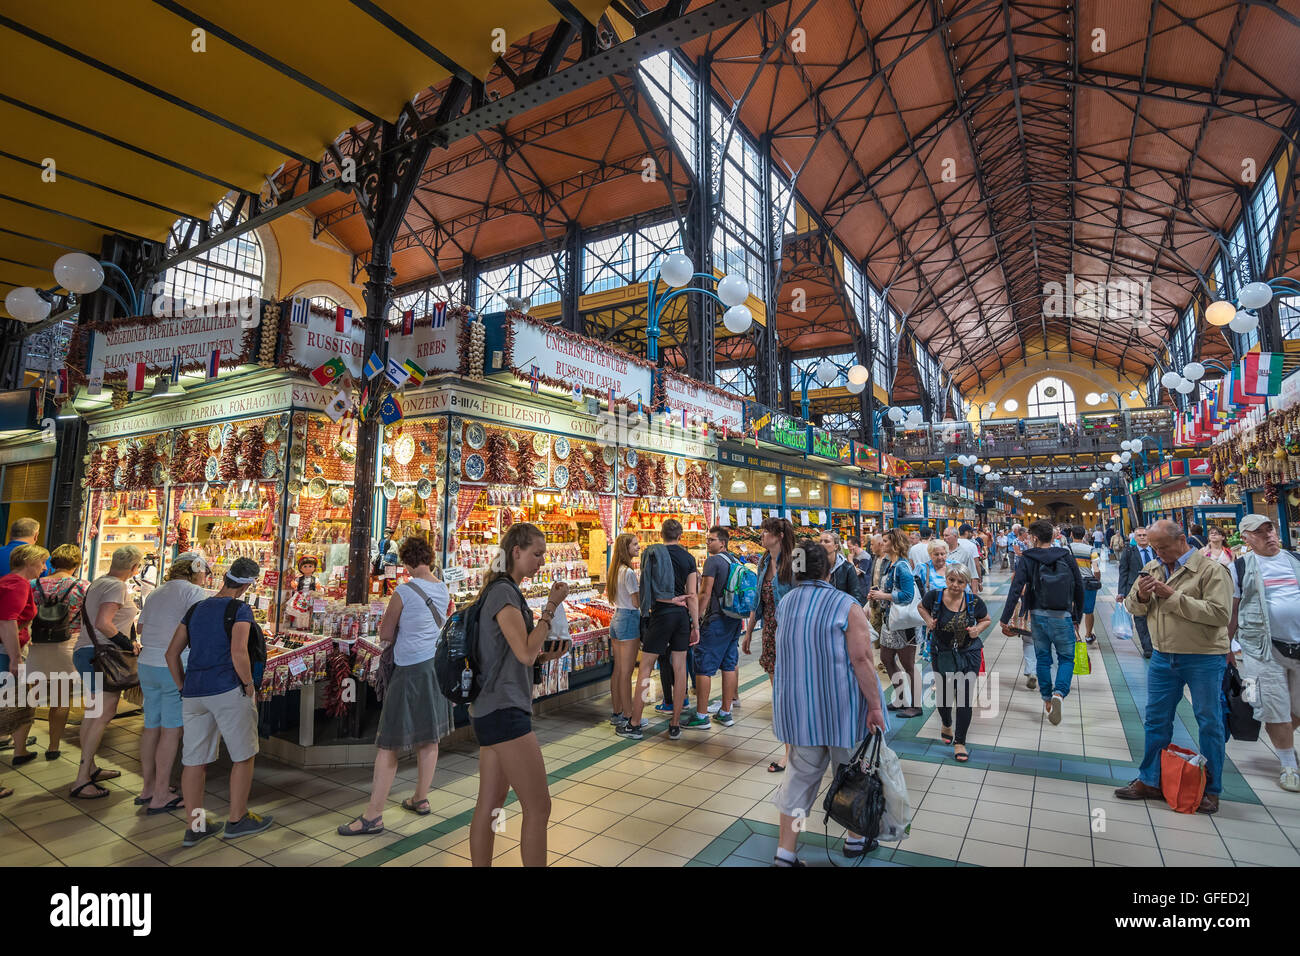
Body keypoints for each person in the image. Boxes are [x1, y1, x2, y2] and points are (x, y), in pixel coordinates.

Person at [771, 539, 887, 865]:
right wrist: (876, 707)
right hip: (843, 710)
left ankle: (785, 853)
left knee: (798, 781)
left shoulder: (787, 602)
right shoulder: (846, 605)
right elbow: (863, 659)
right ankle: (855, 839)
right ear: (827, 568)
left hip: (800, 710)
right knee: (852, 774)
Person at [340, 537, 456, 834]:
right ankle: (421, 798)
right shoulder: (443, 588)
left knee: (388, 743)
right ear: (429, 557)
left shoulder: (404, 591)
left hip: (409, 670)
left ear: (405, 561)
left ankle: (373, 815)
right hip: (434, 667)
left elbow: (386, 631)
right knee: (429, 739)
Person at [467, 523, 568, 866]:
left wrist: (544, 652)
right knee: (539, 807)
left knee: (491, 804)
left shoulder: (501, 591)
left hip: (490, 708)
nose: (542, 561)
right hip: (505, 710)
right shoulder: (503, 593)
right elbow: (524, 653)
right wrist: (550, 610)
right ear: (516, 552)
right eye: (537, 554)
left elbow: (516, 653)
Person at [1117, 520, 1232, 813]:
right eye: (1154, 547)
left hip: (1203, 656)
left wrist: (1173, 596)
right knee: (1156, 720)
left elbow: (1219, 614)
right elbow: (1134, 607)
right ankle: (1151, 780)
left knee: (1209, 721)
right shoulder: (1153, 569)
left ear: (1182, 540)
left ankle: (1211, 788)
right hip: (1162, 656)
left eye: (1163, 546)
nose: (1158, 552)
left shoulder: (1210, 570)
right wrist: (1141, 595)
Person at [166, 556, 272, 845]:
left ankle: (196, 825)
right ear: (249, 584)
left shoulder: (197, 609)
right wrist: (249, 685)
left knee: (194, 761)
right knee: (243, 755)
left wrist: (182, 685)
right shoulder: (240, 609)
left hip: (194, 693)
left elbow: (171, 653)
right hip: (227, 689)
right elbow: (239, 652)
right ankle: (237, 818)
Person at [1227, 515, 1300, 793]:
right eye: (1259, 533)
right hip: (1261, 648)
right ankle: (1288, 765)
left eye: (1270, 530)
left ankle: (1285, 742)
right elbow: (1232, 612)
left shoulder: (1295, 560)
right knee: (1273, 703)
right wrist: (1227, 646)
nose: (1268, 536)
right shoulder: (1240, 568)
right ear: (1246, 538)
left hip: (1298, 645)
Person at [133, 552, 211, 813]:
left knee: (151, 727)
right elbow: (201, 629)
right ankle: (161, 795)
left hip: (147, 664)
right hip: (173, 665)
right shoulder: (194, 593)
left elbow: (140, 628)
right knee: (171, 731)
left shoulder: (156, 592)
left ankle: (148, 788)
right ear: (197, 571)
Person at [70, 545, 143, 800]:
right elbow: (104, 622)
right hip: (101, 656)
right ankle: (82, 780)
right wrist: (128, 644)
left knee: (93, 714)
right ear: (135, 567)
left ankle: (89, 768)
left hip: (87, 652)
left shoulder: (99, 582)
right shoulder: (116, 586)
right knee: (102, 714)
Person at [999, 519, 1084, 725]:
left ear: (1034, 538)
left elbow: (1016, 588)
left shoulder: (1027, 558)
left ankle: (1046, 698)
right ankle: (1059, 693)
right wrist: (1076, 618)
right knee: (1066, 658)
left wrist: (1005, 618)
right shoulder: (1066, 556)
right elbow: (1079, 588)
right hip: (1062, 616)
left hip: (1037, 616)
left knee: (1043, 658)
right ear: (1053, 536)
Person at [621, 519, 699, 741]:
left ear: (661, 534)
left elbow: (645, 585)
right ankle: (675, 724)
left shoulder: (652, 555)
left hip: (661, 614)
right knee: (680, 668)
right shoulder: (689, 558)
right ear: (681, 535)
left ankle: (635, 722)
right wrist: (695, 624)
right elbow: (692, 595)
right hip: (682, 616)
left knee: (645, 668)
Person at [919, 565, 990, 763]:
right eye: (951, 580)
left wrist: (978, 629)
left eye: (960, 582)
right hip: (942, 652)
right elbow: (921, 607)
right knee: (944, 694)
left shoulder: (973, 601)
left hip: (969, 653)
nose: (955, 585)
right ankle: (946, 722)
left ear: (967, 583)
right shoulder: (934, 596)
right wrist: (928, 620)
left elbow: (986, 619)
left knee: (965, 697)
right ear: (946, 579)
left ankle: (960, 742)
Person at [741, 516, 795, 771]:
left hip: (793, 633)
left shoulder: (795, 561)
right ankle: (790, 751)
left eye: (765, 532)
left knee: (791, 694)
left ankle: (796, 752)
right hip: (771, 633)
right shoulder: (763, 561)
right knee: (779, 695)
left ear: (779, 536)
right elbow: (757, 602)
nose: (761, 536)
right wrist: (750, 631)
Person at [27, 543, 89, 761]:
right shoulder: (82, 586)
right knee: (61, 699)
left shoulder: (33, 584)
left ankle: (20, 746)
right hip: (67, 644)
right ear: (76, 564)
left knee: (30, 698)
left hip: (36, 644)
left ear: (52, 563)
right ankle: (53, 747)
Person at [683, 526, 744, 729]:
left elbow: (704, 593)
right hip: (733, 619)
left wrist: (696, 620)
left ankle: (701, 716)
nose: (708, 543)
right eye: (707, 539)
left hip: (716, 620)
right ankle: (726, 712)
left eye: (711, 540)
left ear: (722, 543)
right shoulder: (734, 559)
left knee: (703, 668)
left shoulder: (713, 561)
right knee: (728, 664)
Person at [0, 544, 46, 783]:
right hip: (7, 652)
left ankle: (18, 748)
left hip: (7, 650)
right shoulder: (18, 584)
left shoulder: (8, 581)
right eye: (41, 562)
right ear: (29, 562)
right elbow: (7, 621)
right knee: (12, 703)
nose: (44, 567)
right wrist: (16, 658)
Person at [868, 529, 921, 719]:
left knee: (908, 664)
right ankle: (900, 699)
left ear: (895, 543)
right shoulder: (890, 565)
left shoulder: (902, 567)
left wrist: (884, 596)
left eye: (885, 541)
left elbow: (908, 595)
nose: (881, 543)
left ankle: (916, 705)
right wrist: (877, 594)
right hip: (890, 621)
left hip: (904, 624)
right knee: (886, 658)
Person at [605, 533, 641, 728]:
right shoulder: (628, 572)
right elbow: (636, 602)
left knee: (618, 670)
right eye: (634, 544)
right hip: (628, 619)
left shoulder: (615, 570)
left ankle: (616, 711)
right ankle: (629, 715)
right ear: (625, 548)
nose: (638, 546)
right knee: (627, 673)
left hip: (616, 618)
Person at [1118, 527, 1155, 658]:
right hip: (1135, 590)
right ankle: (1147, 647)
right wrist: (1121, 592)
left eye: (1145, 535)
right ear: (1135, 538)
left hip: (1155, 588)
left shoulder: (1156, 551)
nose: (1142, 537)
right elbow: (1123, 571)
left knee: (1155, 616)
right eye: (1139, 535)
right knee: (1140, 618)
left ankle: (1156, 644)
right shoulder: (1129, 551)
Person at [1069, 525, 1101, 642]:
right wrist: (1097, 581)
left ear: (1071, 534)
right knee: (1088, 610)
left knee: (1072, 608)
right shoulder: (1091, 549)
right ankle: (1088, 635)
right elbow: (1096, 569)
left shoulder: (1065, 549)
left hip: (1070, 582)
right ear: (1084, 535)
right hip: (1087, 582)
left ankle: (1076, 634)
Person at [820, 529, 864, 602]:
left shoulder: (847, 568)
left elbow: (855, 596)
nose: (822, 544)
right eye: (820, 541)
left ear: (836, 547)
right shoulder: (815, 567)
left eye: (826, 541)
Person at [943, 526, 982, 594]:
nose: (944, 538)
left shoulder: (966, 554)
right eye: (943, 535)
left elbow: (973, 576)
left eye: (946, 535)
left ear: (955, 536)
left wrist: (974, 595)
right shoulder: (941, 553)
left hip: (960, 592)